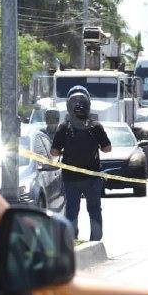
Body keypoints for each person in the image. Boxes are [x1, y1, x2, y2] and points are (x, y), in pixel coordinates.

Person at [51, 86, 112, 241]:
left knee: (72, 210)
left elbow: (54, 152)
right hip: (92, 177)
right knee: (94, 209)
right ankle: (96, 239)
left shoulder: (64, 127)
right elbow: (107, 149)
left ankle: (72, 240)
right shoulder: (95, 126)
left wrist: (67, 152)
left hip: (71, 178)